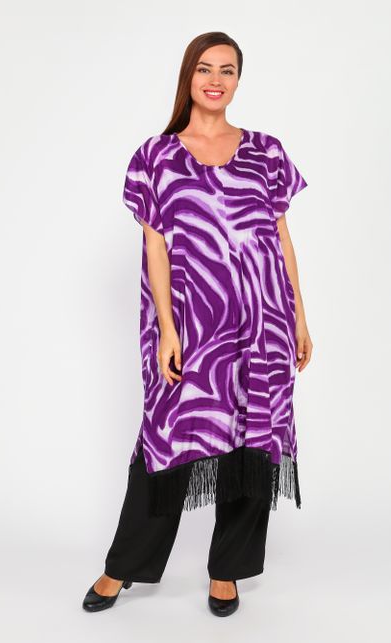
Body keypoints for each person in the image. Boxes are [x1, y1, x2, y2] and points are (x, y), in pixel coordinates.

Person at [82, 31, 313, 617]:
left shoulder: (267, 151)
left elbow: (281, 239)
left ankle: (227, 570)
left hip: (263, 322)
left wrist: (299, 317)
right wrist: (166, 327)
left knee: (253, 438)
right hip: (191, 325)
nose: (216, 80)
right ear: (188, 76)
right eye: (205, 68)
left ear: (238, 80)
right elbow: (155, 248)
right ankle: (123, 565)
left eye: (227, 70)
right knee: (165, 437)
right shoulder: (156, 156)